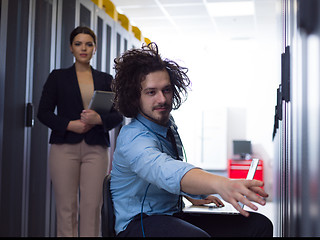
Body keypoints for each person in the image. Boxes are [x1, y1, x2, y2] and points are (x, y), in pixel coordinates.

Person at [110, 42, 273, 237]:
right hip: (137, 224)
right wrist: (222, 184)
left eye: (166, 90)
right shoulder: (133, 137)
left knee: (258, 226)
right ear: (135, 97)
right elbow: (163, 169)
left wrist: (194, 195)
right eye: (151, 92)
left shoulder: (167, 124)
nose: (162, 99)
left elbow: (169, 170)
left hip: (169, 215)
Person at [37, 26, 123, 237]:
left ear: (95, 49)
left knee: (93, 208)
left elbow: (119, 115)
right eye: (78, 44)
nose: (83, 48)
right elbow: (44, 113)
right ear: (71, 48)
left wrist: (98, 119)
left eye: (89, 44)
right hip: (63, 148)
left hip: (96, 149)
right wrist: (69, 124)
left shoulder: (106, 80)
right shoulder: (58, 77)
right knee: (66, 209)